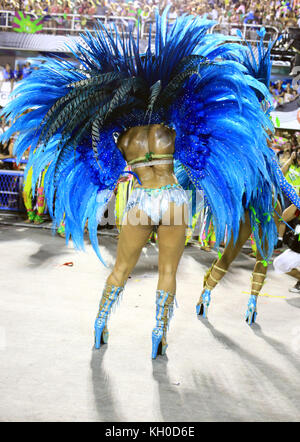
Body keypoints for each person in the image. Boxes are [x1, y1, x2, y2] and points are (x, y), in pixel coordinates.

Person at [0, 8, 288, 358]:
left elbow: (103, 174)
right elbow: (199, 158)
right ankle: (159, 334)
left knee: (121, 268)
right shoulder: (171, 130)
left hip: (139, 200)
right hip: (172, 200)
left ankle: (99, 325)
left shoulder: (122, 138)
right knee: (168, 271)